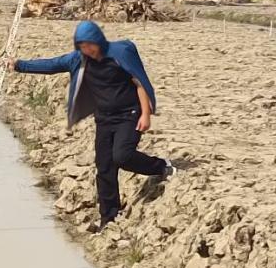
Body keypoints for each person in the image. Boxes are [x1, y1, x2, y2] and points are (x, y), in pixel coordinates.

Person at [13, 20, 173, 232]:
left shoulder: (119, 55)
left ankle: (161, 166)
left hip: (129, 114)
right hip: (104, 119)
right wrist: (18, 65)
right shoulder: (77, 61)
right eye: (81, 45)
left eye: (89, 44)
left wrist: (145, 114)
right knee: (104, 168)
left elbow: (139, 83)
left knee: (122, 156)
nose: (86, 50)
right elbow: (51, 65)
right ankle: (109, 218)